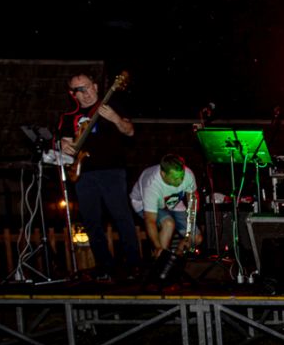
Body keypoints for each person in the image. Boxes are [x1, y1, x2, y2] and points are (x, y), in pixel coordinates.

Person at [57, 72, 139, 280]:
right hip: (84, 174)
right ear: (72, 94)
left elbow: (130, 131)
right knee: (91, 221)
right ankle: (105, 266)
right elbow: (64, 142)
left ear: (95, 86)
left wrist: (114, 118)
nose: (84, 93)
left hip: (112, 171)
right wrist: (63, 145)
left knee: (121, 217)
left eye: (86, 87)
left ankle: (133, 265)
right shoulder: (68, 117)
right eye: (78, 90)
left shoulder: (113, 106)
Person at [130, 155, 200, 258]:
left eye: (182, 176)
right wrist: (158, 247)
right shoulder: (151, 185)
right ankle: (160, 261)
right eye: (175, 178)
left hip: (173, 202)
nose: (180, 181)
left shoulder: (188, 175)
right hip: (143, 204)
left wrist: (190, 226)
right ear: (163, 174)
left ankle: (174, 259)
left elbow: (193, 198)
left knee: (196, 238)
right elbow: (150, 220)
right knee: (168, 224)